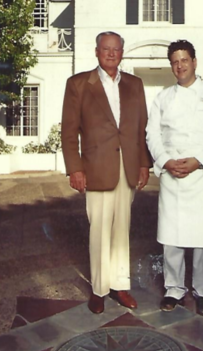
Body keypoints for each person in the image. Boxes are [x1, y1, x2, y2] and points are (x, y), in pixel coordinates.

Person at [61, 31, 151, 314]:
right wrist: (75, 168)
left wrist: (144, 164)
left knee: (122, 228)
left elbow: (141, 128)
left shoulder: (135, 84)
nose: (111, 53)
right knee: (99, 229)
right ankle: (99, 290)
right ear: (97, 51)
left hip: (127, 168)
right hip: (96, 168)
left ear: (122, 52)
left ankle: (120, 286)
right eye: (106, 49)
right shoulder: (78, 84)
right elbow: (68, 131)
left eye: (116, 49)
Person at [146, 39, 203, 315]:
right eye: (175, 62)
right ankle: (174, 289)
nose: (180, 66)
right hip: (173, 175)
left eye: (184, 60)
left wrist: (199, 162)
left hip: (201, 175)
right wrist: (165, 161)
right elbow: (152, 134)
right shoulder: (163, 98)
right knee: (172, 237)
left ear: (194, 62)